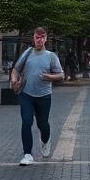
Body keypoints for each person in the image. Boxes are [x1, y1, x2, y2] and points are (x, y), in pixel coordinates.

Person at [10, 27, 64, 166]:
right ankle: (27, 154)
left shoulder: (51, 56)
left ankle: (45, 141)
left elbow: (61, 74)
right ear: (33, 38)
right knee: (26, 122)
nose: (39, 40)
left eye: (42, 37)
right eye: (37, 37)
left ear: (46, 38)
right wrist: (14, 80)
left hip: (44, 95)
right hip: (26, 94)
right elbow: (16, 69)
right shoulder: (27, 53)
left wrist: (50, 77)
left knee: (43, 124)